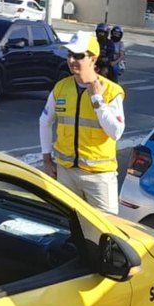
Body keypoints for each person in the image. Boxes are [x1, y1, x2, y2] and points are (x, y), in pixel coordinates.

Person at [38, 30, 126, 214]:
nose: (71, 61)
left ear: (93, 59)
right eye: (70, 55)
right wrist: (47, 160)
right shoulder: (61, 87)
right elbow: (44, 121)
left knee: (107, 231)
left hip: (99, 177)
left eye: (78, 56)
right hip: (66, 172)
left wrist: (97, 100)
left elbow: (116, 132)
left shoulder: (111, 90)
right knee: (69, 227)